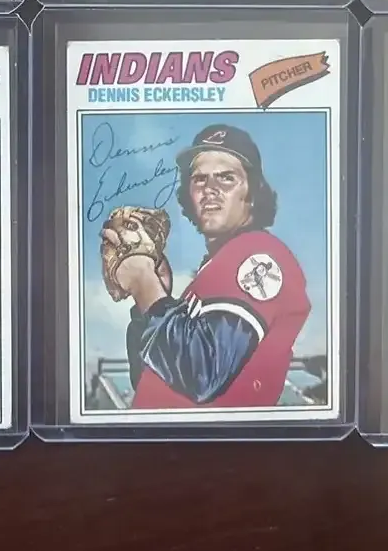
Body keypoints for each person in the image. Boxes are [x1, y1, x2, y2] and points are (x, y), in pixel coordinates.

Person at [110, 124, 310, 409]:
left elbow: (203, 374)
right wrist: (153, 305)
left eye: (226, 178)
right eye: (200, 179)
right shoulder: (215, 269)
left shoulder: (258, 255)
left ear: (252, 193)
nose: (210, 189)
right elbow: (151, 378)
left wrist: (145, 283)